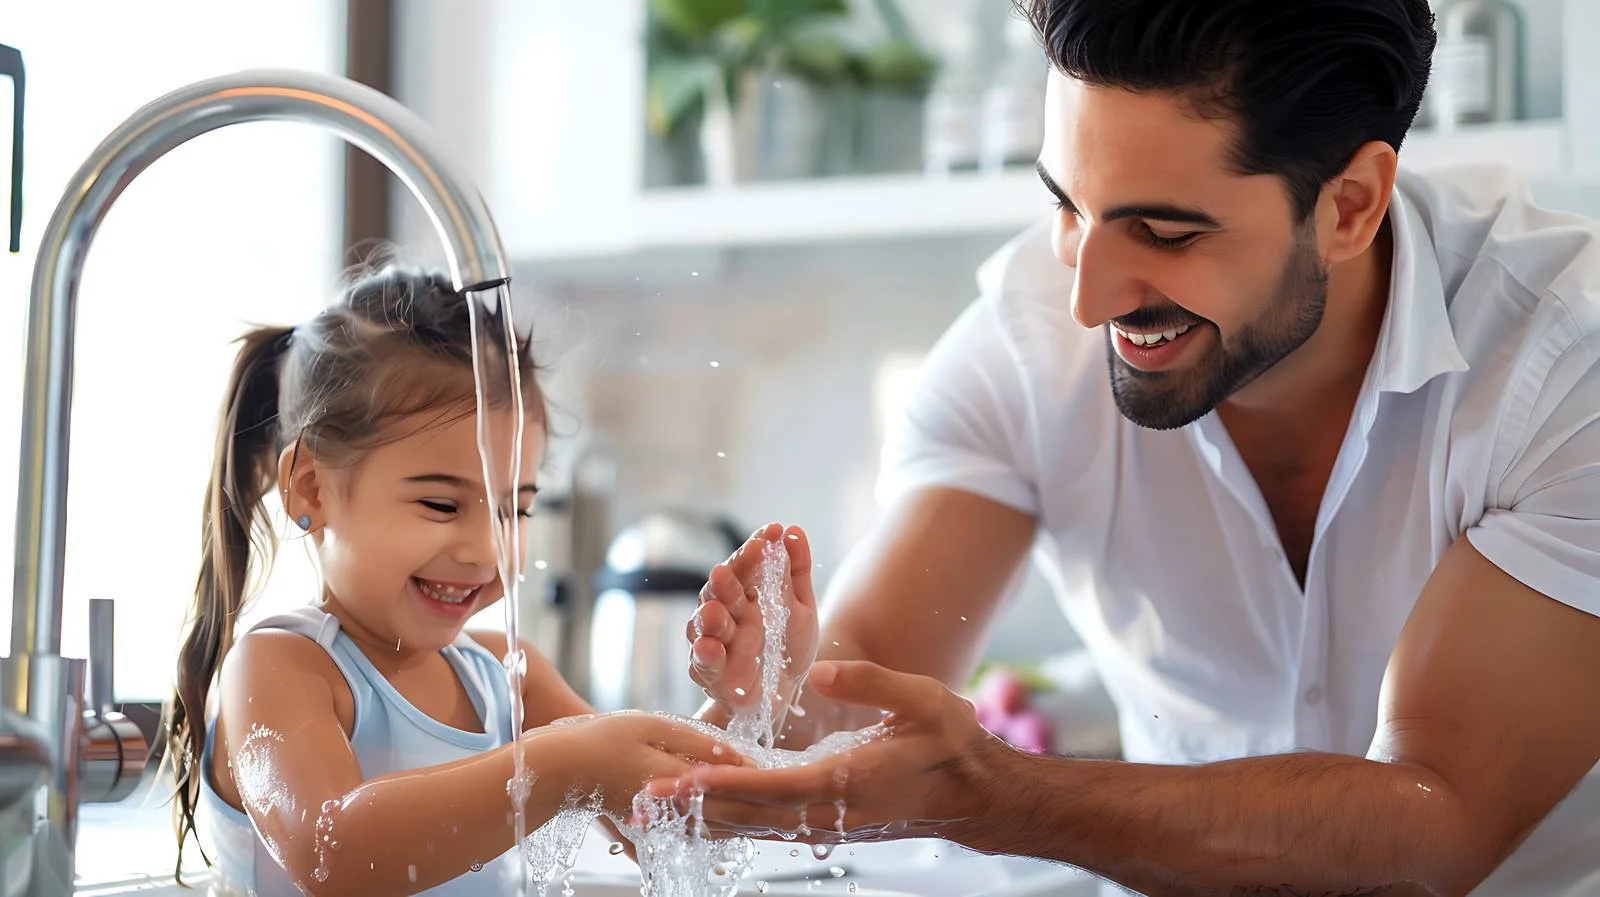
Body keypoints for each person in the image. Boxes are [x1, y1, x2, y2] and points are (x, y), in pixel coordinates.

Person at [676, 1, 1600, 894]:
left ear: (1349, 206)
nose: (1090, 300)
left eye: (1164, 233)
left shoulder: (1563, 367)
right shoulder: (1025, 346)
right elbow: (868, 674)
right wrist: (773, 707)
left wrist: (997, 797)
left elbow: (1432, 825)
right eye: (1068, 207)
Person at [163, 265, 741, 897]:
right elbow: (332, 854)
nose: (484, 549)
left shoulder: (509, 677)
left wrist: (748, 699)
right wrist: (559, 766)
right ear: (311, 489)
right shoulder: (280, 669)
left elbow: (671, 825)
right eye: (441, 504)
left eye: (514, 509)